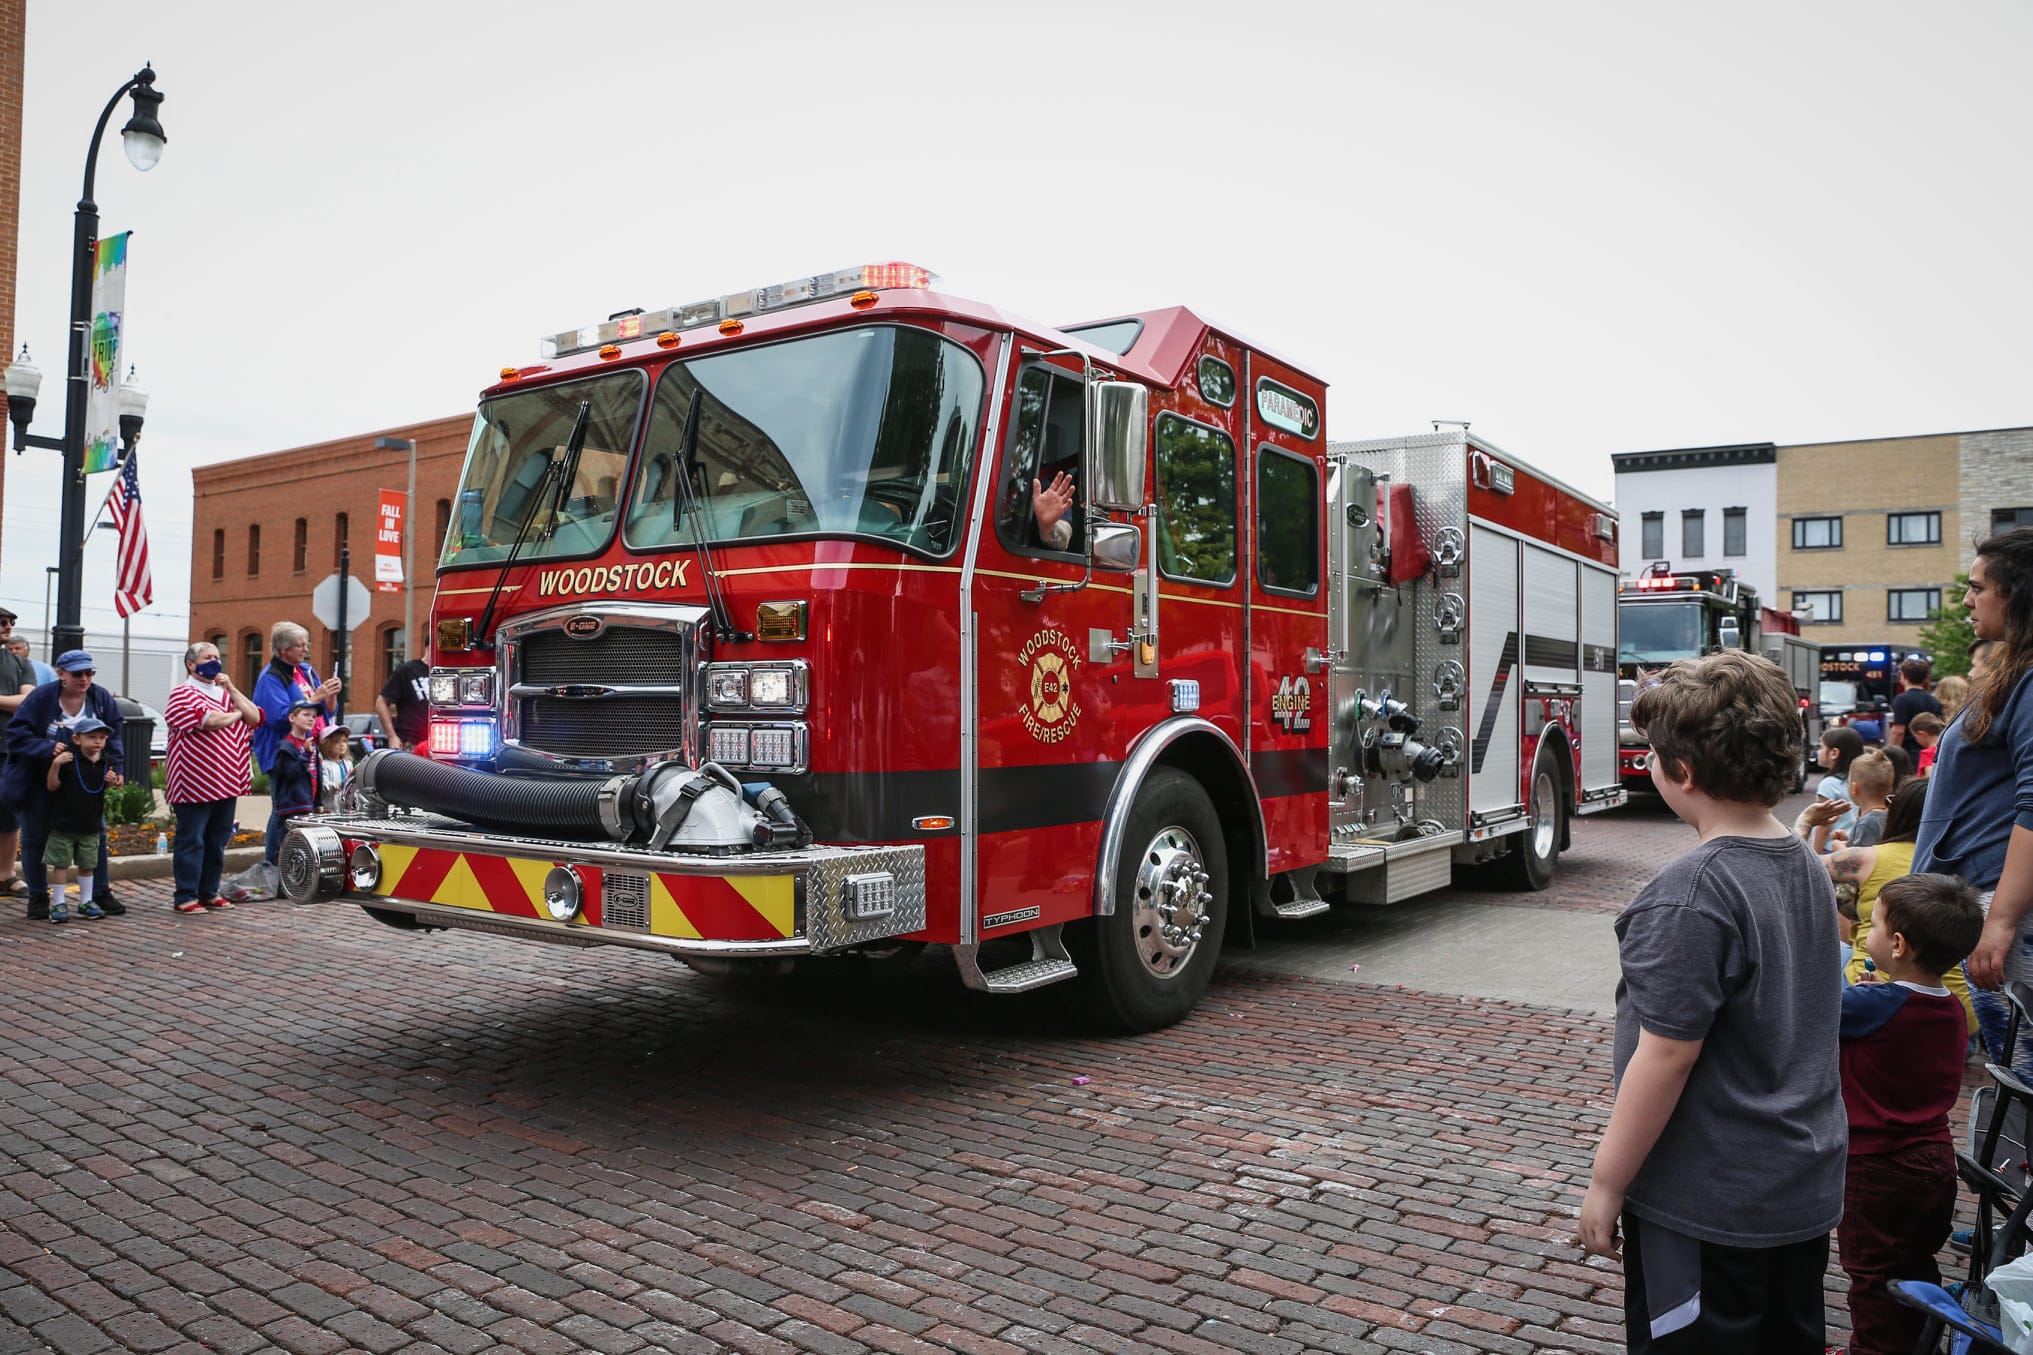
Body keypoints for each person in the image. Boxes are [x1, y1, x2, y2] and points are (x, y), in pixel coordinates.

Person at [1578, 650, 1842, 1351]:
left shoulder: (1691, 891)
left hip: (1707, 1201)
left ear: (1681, 772)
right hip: (1798, 1187)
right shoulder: (1804, 865)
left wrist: (1607, 1182)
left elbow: (1663, 1055)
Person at [1835, 872, 1984, 1355]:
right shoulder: (1951, 1007)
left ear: (1897, 944)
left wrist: (1870, 994)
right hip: (1933, 1164)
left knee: (1873, 1279)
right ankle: (1923, 1343)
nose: (1865, 931)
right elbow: (1896, 1021)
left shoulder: (1870, 1004)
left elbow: (1809, 1008)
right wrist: (1877, 992)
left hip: (1875, 1167)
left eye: (1873, 923)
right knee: (1913, 1265)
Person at [1919, 528, 2033, 1072]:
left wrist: (2001, 921)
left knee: (2022, 1068)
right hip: (1987, 900)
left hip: (2003, 905)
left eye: (1977, 587)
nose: (1967, 600)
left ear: (2016, 593)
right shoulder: (2016, 673)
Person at [1825, 779, 1976, 1027]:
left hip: (1878, 1005)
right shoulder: (1968, 861)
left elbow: (1798, 864)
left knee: (1827, 954)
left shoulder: (1868, 857)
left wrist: (1808, 824)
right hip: (1962, 1015)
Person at [2, 651, 126, 921]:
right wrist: (46, 747)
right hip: (42, 779)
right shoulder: (42, 698)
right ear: (61, 673)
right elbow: (16, 734)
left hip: (85, 781)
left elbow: (114, 735)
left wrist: (116, 768)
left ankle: (100, 892)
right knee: (36, 837)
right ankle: (38, 897)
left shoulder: (100, 697)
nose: (84, 679)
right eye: (77, 674)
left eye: (89, 673)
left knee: (96, 835)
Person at [163, 641, 262, 915]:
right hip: (193, 781)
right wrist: (236, 714)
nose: (214, 661)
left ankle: (209, 892)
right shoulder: (182, 693)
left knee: (217, 839)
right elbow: (210, 720)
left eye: (218, 657)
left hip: (227, 780)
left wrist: (231, 689)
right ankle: (185, 895)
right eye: (207, 657)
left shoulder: (224, 693)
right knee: (191, 839)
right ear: (191, 664)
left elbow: (253, 716)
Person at [251, 622, 339, 866]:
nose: (305, 649)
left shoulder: (307, 671)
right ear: (283, 649)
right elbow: (279, 716)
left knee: (305, 807)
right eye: (300, 645)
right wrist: (317, 696)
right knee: (283, 809)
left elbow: (324, 711)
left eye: (305, 644)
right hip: (284, 753)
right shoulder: (271, 678)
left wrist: (330, 694)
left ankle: (295, 861)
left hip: (308, 751)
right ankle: (273, 863)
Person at [40, 717, 115, 923]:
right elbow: (52, 786)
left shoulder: (104, 761)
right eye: (91, 737)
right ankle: (58, 903)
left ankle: (86, 900)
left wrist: (110, 783)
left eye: (102, 737)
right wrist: (55, 764)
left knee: (88, 864)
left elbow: (99, 789)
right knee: (61, 864)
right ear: (77, 739)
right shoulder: (68, 760)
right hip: (64, 823)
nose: (98, 742)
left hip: (90, 824)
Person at [0, 610, 40, 898]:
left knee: (8, 812)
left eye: (11, 623)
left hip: (8, 748)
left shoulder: (20, 663)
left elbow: (27, 700)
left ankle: (6, 875)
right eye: (2, 622)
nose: (9, 627)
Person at [1808, 726, 1866, 852]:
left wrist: (1816, 857)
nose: (1818, 752)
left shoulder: (1828, 784)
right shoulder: (1858, 781)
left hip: (1830, 847)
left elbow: (1824, 825)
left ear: (1834, 753)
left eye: (1821, 747)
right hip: (1852, 845)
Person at [268, 700, 322, 831]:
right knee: (289, 845)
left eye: (314, 716)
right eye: (306, 715)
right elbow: (291, 774)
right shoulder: (286, 746)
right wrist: (306, 756)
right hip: (292, 806)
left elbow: (317, 776)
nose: (311, 719)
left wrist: (318, 802)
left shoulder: (313, 746)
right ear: (292, 717)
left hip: (309, 804)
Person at [375, 638, 430, 753]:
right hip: (411, 743)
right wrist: (392, 736)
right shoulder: (407, 670)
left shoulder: (449, 672)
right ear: (429, 645)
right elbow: (381, 702)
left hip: (443, 742)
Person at [1839, 750, 1895, 849]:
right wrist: (1849, 839)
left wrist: (1839, 848)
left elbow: (1858, 859)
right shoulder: (1891, 815)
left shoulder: (1866, 822)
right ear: (1890, 788)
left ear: (1854, 788)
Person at [1886, 656, 1941, 749]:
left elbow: (1898, 731)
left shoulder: (1902, 700)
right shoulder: (1934, 700)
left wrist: (1892, 754)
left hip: (1909, 752)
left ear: (1903, 676)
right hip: (1930, 750)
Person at [317, 724, 351, 811]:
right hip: (329, 809)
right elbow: (322, 787)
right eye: (336, 741)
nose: (341, 745)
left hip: (345, 809)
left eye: (344, 741)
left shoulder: (347, 764)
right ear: (326, 744)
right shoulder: (323, 765)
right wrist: (340, 785)